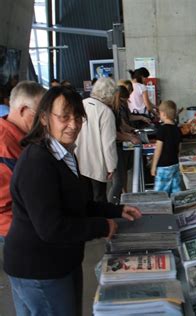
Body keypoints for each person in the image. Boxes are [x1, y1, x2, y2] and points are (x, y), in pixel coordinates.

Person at [3, 86, 141, 316]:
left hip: (57, 262)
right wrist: (101, 226)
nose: (73, 124)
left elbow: (77, 203)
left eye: (78, 117)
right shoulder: (38, 161)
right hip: (40, 268)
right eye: (64, 117)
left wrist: (115, 210)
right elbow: (52, 228)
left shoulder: (62, 153)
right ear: (45, 118)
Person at [0, 81, 46, 241]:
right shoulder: (5, 143)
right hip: (13, 227)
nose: (44, 121)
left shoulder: (18, 137)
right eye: (41, 114)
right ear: (23, 110)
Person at [75, 77, 118, 202]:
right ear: (109, 94)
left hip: (77, 161)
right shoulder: (105, 112)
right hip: (96, 164)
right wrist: (111, 166)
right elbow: (108, 143)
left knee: (84, 200)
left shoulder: (81, 105)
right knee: (98, 199)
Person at [107, 86, 142, 204]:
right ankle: (112, 206)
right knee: (118, 182)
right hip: (114, 147)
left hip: (118, 146)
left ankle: (119, 202)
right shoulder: (111, 110)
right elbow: (114, 132)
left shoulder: (115, 109)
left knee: (120, 179)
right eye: (124, 100)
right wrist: (130, 137)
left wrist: (133, 131)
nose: (125, 103)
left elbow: (122, 126)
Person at [150, 100, 181, 194]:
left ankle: (162, 208)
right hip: (175, 164)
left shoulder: (162, 130)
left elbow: (158, 150)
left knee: (161, 193)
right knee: (175, 191)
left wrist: (153, 166)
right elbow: (179, 148)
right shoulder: (177, 129)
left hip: (163, 166)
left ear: (163, 114)